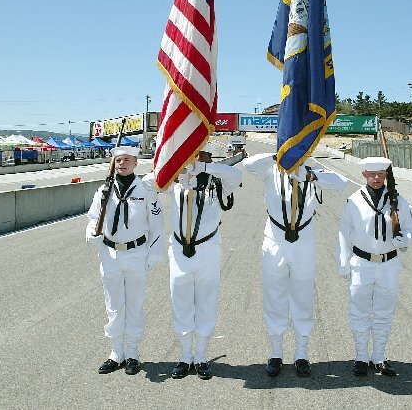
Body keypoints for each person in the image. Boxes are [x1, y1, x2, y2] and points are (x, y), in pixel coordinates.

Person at [243, 152, 347, 377]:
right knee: (274, 297)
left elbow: (341, 184)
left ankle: (302, 354)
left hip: (303, 241)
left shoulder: (312, 171)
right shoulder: (271, 170)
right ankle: (276, 353)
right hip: (275, 239)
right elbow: (248, 163)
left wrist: (310, 175)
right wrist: (278, 156)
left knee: (302, 297)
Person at [85, 146, 165, 376]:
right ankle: (115, 352)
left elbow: (157, 225)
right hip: (110, 255)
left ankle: (132, 353)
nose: (122, 164)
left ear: (135, 163)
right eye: (118, 160)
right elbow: (93, 218)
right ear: (114, 164)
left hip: (136, 253)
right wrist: (91, 233)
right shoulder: (103, 190)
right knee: (114, 305)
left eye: (127, 160)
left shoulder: (146, 190)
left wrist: (154, 253)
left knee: (134, 305)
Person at [167, 144, 242, 380]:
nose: (195, 160)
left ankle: (200, 356)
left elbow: (236, 175)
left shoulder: (219, 184)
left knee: (206, 303)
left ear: (209, 158)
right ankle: (184, 356)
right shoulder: (177, 183)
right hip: (180, 250)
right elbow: (153, 179)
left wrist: (205, 168)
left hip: (208, 250)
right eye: (191, 155)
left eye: (200, 156)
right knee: (181, 304)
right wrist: (179, 169)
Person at [338, 157, 412, 377]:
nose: (376, 178)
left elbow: (410, 227)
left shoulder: (398, 201)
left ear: (386, 176)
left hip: (389, 264)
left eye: (381, 174)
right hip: (362, 263)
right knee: (359, 313)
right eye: (372, 174)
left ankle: (379, 357)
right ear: (364, 175)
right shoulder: (353, 201)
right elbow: (344, 233)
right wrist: (343, 263)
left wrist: (405, 240)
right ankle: (361, 357)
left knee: (384, 313)